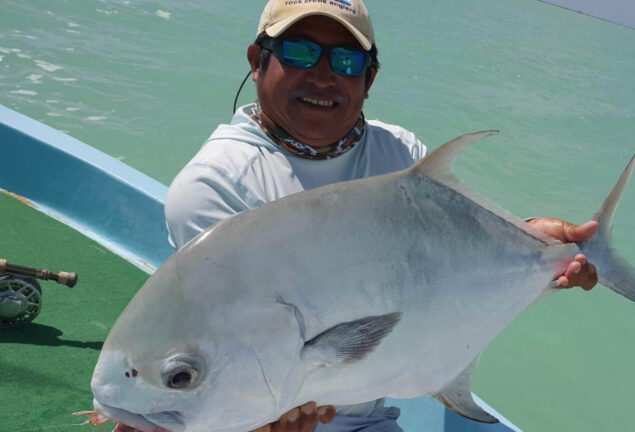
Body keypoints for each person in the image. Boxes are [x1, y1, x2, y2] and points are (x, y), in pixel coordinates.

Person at [164, 0, 598, 431]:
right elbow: (218, 356)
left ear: (368, 79)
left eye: (347, 60)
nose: (323, 74)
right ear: (259, 61)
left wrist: (533, 242)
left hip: (373, 418)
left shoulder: (401, 156)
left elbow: (441, 270)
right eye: (300, 51)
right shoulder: (216, 186)